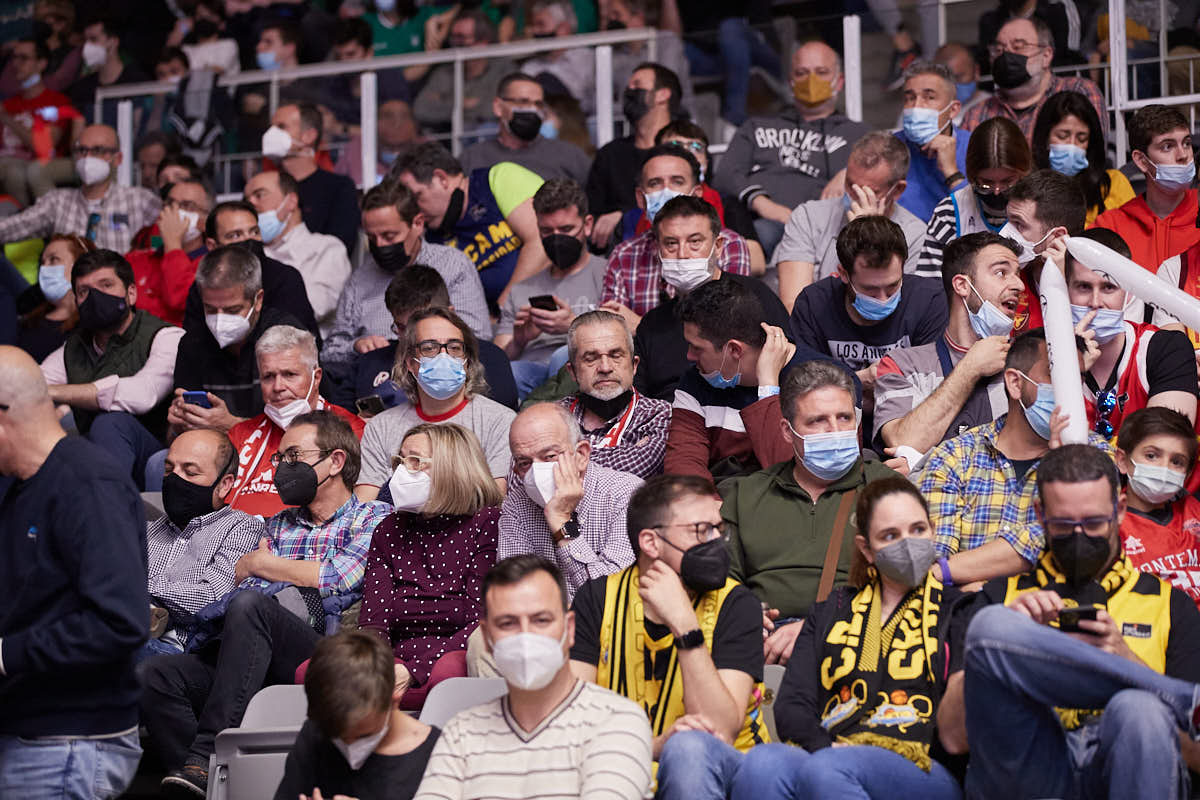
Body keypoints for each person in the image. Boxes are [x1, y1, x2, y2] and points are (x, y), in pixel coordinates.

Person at [140, 410, 390, 797]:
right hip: (255, 655)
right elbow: (244, 586)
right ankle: (203, 781)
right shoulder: (277, 524)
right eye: (279, 459)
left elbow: (340, 578)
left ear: (336, 461)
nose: (282, 469)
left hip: (323, 653)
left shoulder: (372, 517)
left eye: (293, 457)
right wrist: (277, 573)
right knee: (156, 673)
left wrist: (266, 564)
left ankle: (204, 755)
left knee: (252, 605)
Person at [945, 444, 1200, 800]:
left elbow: (1196, 755)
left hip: (1127, 770)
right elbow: (953, 736)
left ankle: (1149, 690)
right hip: (1030, 770)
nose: (1079, 536)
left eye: (1094, 522)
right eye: (1064, 525)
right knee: (993, 626)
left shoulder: (1171, 606)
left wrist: (1126, 663)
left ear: (1121, 511)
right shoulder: (1002, 597)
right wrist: (1007, 653)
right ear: (1039, 515)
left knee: (1138, 709)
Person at [732, 477, 965, 800]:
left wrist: (840, 756)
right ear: (866, 549)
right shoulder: (830, 611)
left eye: (918, 530)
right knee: (762, 762)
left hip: (925, 765)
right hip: (832, 750)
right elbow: (792, 705)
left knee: (829, 768)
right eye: (890, 536)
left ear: (933, 530)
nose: (908, 543)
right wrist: (826, 746)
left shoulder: (960, 610)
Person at [0, 346, 146, 799]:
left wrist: (6, 655)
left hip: (67, 744)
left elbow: (119, 621)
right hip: (34, 737)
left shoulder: (87, 483)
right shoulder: (25, 488)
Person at [569, 474, 769, 798]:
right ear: (650, 542)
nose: (718, 541)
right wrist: (652, 746)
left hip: (722, 775)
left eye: (719, 529)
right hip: (622, 771)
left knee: (689, 749)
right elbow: (574, 726)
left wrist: (685, 626)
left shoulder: (737, 603)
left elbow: (718, 731)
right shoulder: (596, 600)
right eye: (702, 530)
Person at [412, 556, 653, 800]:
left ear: (569, 629)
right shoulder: (461, 731)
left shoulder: (617, 721)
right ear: (486, 638)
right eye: (508, 623)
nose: (526, 637)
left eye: (541, 620)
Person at [724, 359, 901, 664]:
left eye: (844, 417)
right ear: (787, 431)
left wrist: (823, 627)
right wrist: (744, 615)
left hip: (858, 642)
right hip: (759, 645)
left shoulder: (888, 490)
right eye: (818, 421)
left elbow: (906, 586)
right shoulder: (745, 494)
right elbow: (721, 582)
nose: (835, 431)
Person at [919, 328, 1113, 586]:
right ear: (1015, 383)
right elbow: (932, 566)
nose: (1070, 393)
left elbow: (1078, 541)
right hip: (962, 618)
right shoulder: (955, 457)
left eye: (1076, 380)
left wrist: (1062, 467)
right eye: (1056, 377)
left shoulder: (1098, 455)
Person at [359, 423, 501, 696]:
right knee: (319, 671)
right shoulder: (388, 529)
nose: (401, 472)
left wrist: (415, 671)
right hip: (395, 654)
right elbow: (373, 622)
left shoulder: (487, 523)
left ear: (452, 467)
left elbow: (481, 621)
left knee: (445, 676)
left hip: (458, 650)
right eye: (399, 462)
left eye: (414, 461)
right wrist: (375, 666)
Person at [668, 278, 854, 482]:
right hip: (720, 506)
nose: (689, 356)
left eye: (697, 348)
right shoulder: (695, 381)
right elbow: (683, 468)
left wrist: (768, 387)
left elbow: (798, 481)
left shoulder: (831, 383)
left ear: (734, 349)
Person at [714, 41, 872, 260]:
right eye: (802, 73)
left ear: (840, 81)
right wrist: (762, 203)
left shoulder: (858, 134)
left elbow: (885, 171)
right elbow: (725, 175)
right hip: (757, 222)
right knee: (733, 242)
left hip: (821, 228)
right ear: (791, 82)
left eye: (822, 72)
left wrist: (848, 173)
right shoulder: (756, 126)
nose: (811, 80)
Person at [324, 179, 491, 384]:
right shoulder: (360, 279)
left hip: (443, 377)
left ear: (418, 223)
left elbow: (478, 337)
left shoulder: (452, 265)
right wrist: (356, 346)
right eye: (371, 237)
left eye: (389, 235)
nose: (380, 245)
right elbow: (330, 351)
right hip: (377, 381)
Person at [40, 249, 183, 488]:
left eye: (106, 285)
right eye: (84, 291)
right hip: (95, 455)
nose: (96, 296)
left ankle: (108, 509)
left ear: (131, 293)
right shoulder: (74, 347)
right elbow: (32, 381)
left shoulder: (166, 336)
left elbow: (143, 394)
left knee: (111, 422)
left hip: (155, 457)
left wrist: (54, 392)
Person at [874, 232, 1024, 456]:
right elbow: (903, 442)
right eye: (1001, 273)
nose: (1019, 285)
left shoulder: (1028, 362)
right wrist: (971, 367)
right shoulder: (902, 364)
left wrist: (919, 464)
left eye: (1018, 274)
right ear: (962, 285)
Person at [633, 196, 791, 402]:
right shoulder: (653, 323)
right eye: (671, 243)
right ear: (658, 250)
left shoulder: (754, 298)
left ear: (717, 246)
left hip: (746, 420)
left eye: (695, 241)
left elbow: (789, 372)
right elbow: (640, 398)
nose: (682, 254)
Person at [355, 308, 515, 501]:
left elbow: (495, 502)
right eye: (429, 348)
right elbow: (366, 506)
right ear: (410, 362)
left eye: (455, 348)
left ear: (467, 361)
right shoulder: (380, 428)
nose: (444, 356)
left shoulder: (500, 421)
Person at [791, 216, 948, 410]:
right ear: (843, 274)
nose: (883, 299)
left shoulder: (930, 301)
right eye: (870, 290)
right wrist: (859, 380)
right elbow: (803, 389)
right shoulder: (813, 304)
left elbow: (934, 390)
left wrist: (844, 385)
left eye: (892, 286)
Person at [498, 402, 642, 599]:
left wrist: (561, 523)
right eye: (525, 463)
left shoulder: (626, 494)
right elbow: (516, 593)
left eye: (549, 456)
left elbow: (611, 597)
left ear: (581, 455)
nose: (536, 471)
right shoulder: (516, 504)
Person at [1063, 229, 1199, 435]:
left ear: (1127, 293)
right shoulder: (1041, 352)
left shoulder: (1168, 349)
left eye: (1108, 287)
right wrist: (1073, 374)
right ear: (1065, 289)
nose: (1095, 302)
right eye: (1083, 287)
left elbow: (1162, 450)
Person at [274, 630, 439, 800]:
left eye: (363, 736)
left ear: (393, 700)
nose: (349, 747)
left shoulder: (439, 754)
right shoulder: (316, 732)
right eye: (336, 736)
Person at [775, 133, 928, 311]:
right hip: (813, 336)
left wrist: (867, 236)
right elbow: (793, 305)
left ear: (897, 190)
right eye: (849, 184)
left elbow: (900, 315)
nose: (853, 196)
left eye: (867, 191)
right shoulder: (808, 217)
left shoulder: (918, 237)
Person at [602, 146, 753, 326]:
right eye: (655, 183)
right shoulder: (623, 255)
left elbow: (729, 322)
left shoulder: (728, 245)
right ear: (641, 198)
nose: (666, 191)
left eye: (677, 181)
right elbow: (611, 328)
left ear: (697, 194)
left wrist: (643, 326)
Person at [225, 326, 365, 518]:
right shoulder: (241, 433)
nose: (278, 387)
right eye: (268, 377)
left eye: (289, 375)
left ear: (316, 378)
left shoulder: (353, 431)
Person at [147, 428, 264, 654]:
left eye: (190, 473)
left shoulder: (242, 528)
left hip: (174, 650)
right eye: (169, 469)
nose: (175, 479)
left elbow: (211, 598)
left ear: (224, 484)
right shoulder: (148, 529)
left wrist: (136, 586)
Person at [171, 244, 306, 433]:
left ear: (257, 300)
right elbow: (175, 438)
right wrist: (180, 424)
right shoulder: (192, 343)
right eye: (210, 309)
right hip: (210, 451)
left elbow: (302, 433)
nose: (219, 320)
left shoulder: (287, 339)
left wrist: (232, 425)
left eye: (232, 310)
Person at [348, 265, 517, 415]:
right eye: (402, 327)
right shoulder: (369, 361)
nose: (410, 338)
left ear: (449, 314)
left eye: (420, 325)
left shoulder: (490, 358)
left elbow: (501, 417)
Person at [394, 142, 546, 307]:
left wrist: (504, 309)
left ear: (441, 179)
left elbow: (540, 243)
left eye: (417, 196)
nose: (416, 210)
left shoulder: (499, 179)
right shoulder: (432, 238)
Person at [497, 178, 605, 398]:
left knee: (562, 357)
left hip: (585, 371)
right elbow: (498, 359)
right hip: (531, 373)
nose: (557, 239)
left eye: (566, 228)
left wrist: (573, 327)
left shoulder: (608, 274)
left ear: (587, 225)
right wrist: (519, 341)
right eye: (547, 231)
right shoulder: (521, 289)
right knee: (510, 373)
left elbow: (622, 339)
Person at [0, 123, 160, 253]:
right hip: (72, 289)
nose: (87, 157)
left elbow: (170, 237)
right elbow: (15, 227)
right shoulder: (58, 202)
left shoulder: (139, 200)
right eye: (82, 150)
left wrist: (148, 251)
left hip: (121, 288)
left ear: (117, 159)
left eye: (98, 150)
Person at [184, 200, 321, 342]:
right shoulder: (204, 285)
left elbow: (296, 345)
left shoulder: (284, 279)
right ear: (212, 245)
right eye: (235, 235)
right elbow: (193, 344)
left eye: (254, 232)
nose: (248, 240)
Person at [560, 310, 671, 478]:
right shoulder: (552, 418)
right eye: (591, 358)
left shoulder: (659, 415)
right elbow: (524, 476)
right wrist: (626, 452)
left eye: (615, 355)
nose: (605, 367)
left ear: (634, 366)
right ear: (573, 371)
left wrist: (558, 462)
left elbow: (640, 467)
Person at [916, 117, 1033, 277]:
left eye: (1007, 182)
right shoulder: (949, 213)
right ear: (972, 175)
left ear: (1023, 173)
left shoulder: (1042, 209)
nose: (997, 191)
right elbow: (930, 287)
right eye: (986, 183)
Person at [960, 17, 1106, 143]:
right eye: (999, 49)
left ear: (1046, 55)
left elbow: (1094, 157)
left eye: (1018, 46)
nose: (1007, 55)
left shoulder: (1079, 92)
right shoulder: (977, 115)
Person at [586, 63, 684, 248]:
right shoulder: (610, 154)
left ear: (663, 95)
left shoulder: (685, 149)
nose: (629, 91)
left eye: (637, 85)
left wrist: (624, 217)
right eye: (628, 87)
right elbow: (592, 213)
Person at [244, 168, 351, 336]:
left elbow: (314, 307)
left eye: (259, 195)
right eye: (247, 199)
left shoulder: (326, 248)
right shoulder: (249, 255)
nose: (251, 203)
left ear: (291, 201)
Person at [1095, 105, 1200, 271]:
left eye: (1186, 143)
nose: (1183, 155)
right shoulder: (1111, 226)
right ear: (1141, 161)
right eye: (1167, 146)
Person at [1115, 407, 1200, 607]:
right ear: (1122, 460)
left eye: (1177, 462)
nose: (1164, 468)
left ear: (1187, 474)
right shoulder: (1108, 524)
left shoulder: (1194, 509)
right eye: (1152, 456)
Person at [997, 168, 1088, 335]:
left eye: (1019, 224)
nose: (1005, 233)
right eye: (1008, 221)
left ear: (1056, 237)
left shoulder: (1092, 289)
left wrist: (1057, 283)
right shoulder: (1003, 278)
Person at [262, 102, 360, 254]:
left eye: (281, 127)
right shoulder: (260, 189)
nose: (270, 134)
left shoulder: (339, 188)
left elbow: (339, 247)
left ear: (309, 136)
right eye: (270, 127)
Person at [459, 73, 591, 184]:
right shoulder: (472, 159)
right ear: (498, 107)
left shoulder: (569, 155)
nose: (532, 109)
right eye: (523, 102)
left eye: (538, 104)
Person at [1033, 91, 1135, 226]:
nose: (1072, 145)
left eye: (1082, 138)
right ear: (1045, 138)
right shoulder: (1029, 187)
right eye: (1063, 136)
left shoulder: (1114, 183)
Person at [124, 174, 213, 327]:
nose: (174, 211)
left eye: (187, 205)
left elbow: (179, 300)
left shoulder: (214, 264)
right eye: (170, 204)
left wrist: (173, 245)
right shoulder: (135, 260)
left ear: (205, 221)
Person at [0, 38, 79, 208]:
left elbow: (43, 147)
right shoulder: (8, 104)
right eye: (14, 57)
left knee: (14, 172)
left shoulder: (57, 102)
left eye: (24, 58)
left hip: (36, 166)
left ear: (41, 64)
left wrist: (7, 118)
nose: (16, 64)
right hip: (6, 167)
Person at [412, 11, 514, 132]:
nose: (455, 43)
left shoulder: (503, 69)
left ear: (483, 42)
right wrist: (462, 104)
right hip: (448, 138)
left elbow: (494, 111)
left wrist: (445, 101)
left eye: (461, 37)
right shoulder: (444, 72)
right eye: (453, 37)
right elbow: (420, 109)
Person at [894, 61, 969, 224]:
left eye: (929, 97)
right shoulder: (889, 148)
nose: (916, 106)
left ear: (953, 110)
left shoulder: (974, 147)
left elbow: (975, 220)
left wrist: (951, 172)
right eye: (910, 98)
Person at [16, 233, 93, 363]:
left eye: (53, 260)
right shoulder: (29, 321)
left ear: (81, 266)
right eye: (42, 263)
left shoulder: (94, 325)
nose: (44, 269)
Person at [68, 17, 150, 127]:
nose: (87, 47)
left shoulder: (136, 81)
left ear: (113, 42)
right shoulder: (83, 88)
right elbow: (78, 135)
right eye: (85, 41)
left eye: (93, 39)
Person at [520, 0, 596, 110]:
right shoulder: (529, 67)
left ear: (563, 29)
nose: (534, 31)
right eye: (533, 25)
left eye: (541, 25)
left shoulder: (588, 60)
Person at [936, 41, 990, 125]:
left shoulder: (990, 109)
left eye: (958, 77)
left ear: (976, 71)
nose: (953, 85)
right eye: (946, 79)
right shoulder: (929, 110)